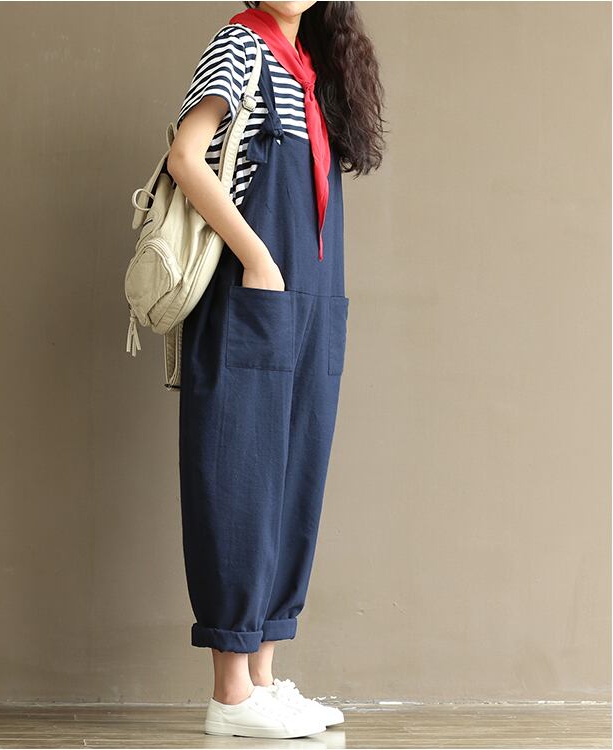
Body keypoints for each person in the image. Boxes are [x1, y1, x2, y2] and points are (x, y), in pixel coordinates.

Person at [167, 1, 385, 739]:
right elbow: (186, 157)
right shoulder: (241, 46)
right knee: (240, 477)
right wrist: (258, 258)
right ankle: (230, 695)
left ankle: (262, 678)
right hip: (252, 295)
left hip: (312, 301)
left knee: (294, 481)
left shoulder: (315, 68)